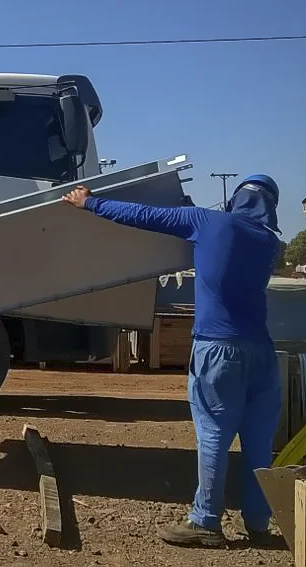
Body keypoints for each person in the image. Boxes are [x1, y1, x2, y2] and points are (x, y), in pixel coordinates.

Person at [62, 175, 282, 548]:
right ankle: (259, 525)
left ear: (236, 200)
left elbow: (146, 215)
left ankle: (206, 521)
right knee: (259, 443)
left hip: (218, 349)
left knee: (213, 434)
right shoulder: (270, 242)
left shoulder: (207, 221)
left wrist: (90, 203)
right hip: (261, 353)